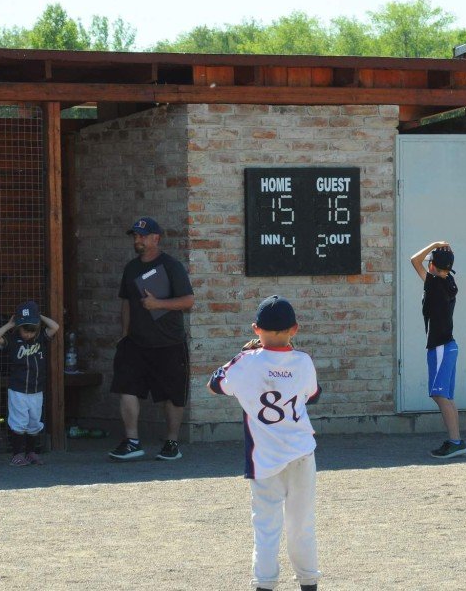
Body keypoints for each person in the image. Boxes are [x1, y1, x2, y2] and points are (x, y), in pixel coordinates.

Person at [207, 295, 321, 591]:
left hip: (265, 459)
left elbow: (215, 383)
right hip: (301, 453)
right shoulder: (303, 361)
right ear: (294, 329)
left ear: (255, 328)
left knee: (267, 527)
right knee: (302, 524)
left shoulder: (246, 362)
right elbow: (313, 394)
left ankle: (265, 584)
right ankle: (309, 582)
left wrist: (246, 352)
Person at [108, 216, 195, 461]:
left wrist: (158, 304)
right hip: (135, 341)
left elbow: (188, 301)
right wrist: (124, 334)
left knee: (172, 394)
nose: (138, 240)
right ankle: (132, 441)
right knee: (126, 387)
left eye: (143, 236)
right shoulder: (131, 268)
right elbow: (126, 303)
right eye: (136, 236)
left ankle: (171, 443)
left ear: (156, 238)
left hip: (169, 342)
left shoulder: (171, 266)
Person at [410, 241, 466, 459]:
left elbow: (414, 260)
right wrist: (443, 256)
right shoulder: (448, 280)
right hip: (447, 346)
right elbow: (436, 266)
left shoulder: (434, 283)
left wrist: (435, 244)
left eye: (431, 264)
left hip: (442, 347)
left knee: (440, 395)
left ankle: (456, 441)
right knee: (446, 397)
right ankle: (455, 440)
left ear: (433, 266)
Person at [0, 300, 60, 466]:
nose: (28, 334)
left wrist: (38, 317)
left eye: (31, 330)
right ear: (18, 327)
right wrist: (10, 324)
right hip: (18, 389)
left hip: (36, 389)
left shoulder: (41, 337)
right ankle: (17, 454)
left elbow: (55, 326)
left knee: (34, 422)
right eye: (24, 329)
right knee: (19, 421)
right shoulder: (13, 340)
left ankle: (31, 453)